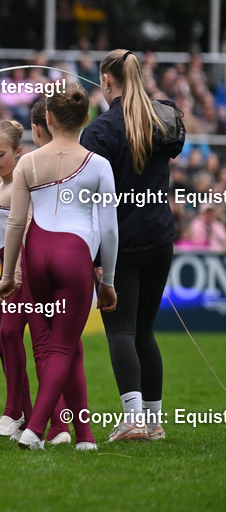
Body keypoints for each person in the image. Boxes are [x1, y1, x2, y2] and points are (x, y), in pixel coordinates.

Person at [0, 84, 119, 451]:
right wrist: (108, 280)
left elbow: (16, 223)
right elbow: (110, 228)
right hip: (74, 254)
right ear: (85, 119)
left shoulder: (28, 163)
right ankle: (36, 429)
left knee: (65, 347)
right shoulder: (98, 165)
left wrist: (7, 276)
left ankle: (83, 434)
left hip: (37, 255)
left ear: (47, 118)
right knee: (63, 347)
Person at [80, 49, 184, 441]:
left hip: (120, 241)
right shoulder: (166, 116)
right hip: (160, 236)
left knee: (120, 330)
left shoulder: (100, 129)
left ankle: (134, 419)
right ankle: (154, 422)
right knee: (145, 331)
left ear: (107, 81)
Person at [0, 115, 71, 444]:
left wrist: (12, 272)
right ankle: (36, 418)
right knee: (10, 343)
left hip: (25, 274)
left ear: (18, 151)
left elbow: (29, 230)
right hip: (11, 269)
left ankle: (24, 413)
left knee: (34, 345)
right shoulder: (5, 183)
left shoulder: (23, 180)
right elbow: (7, 235)